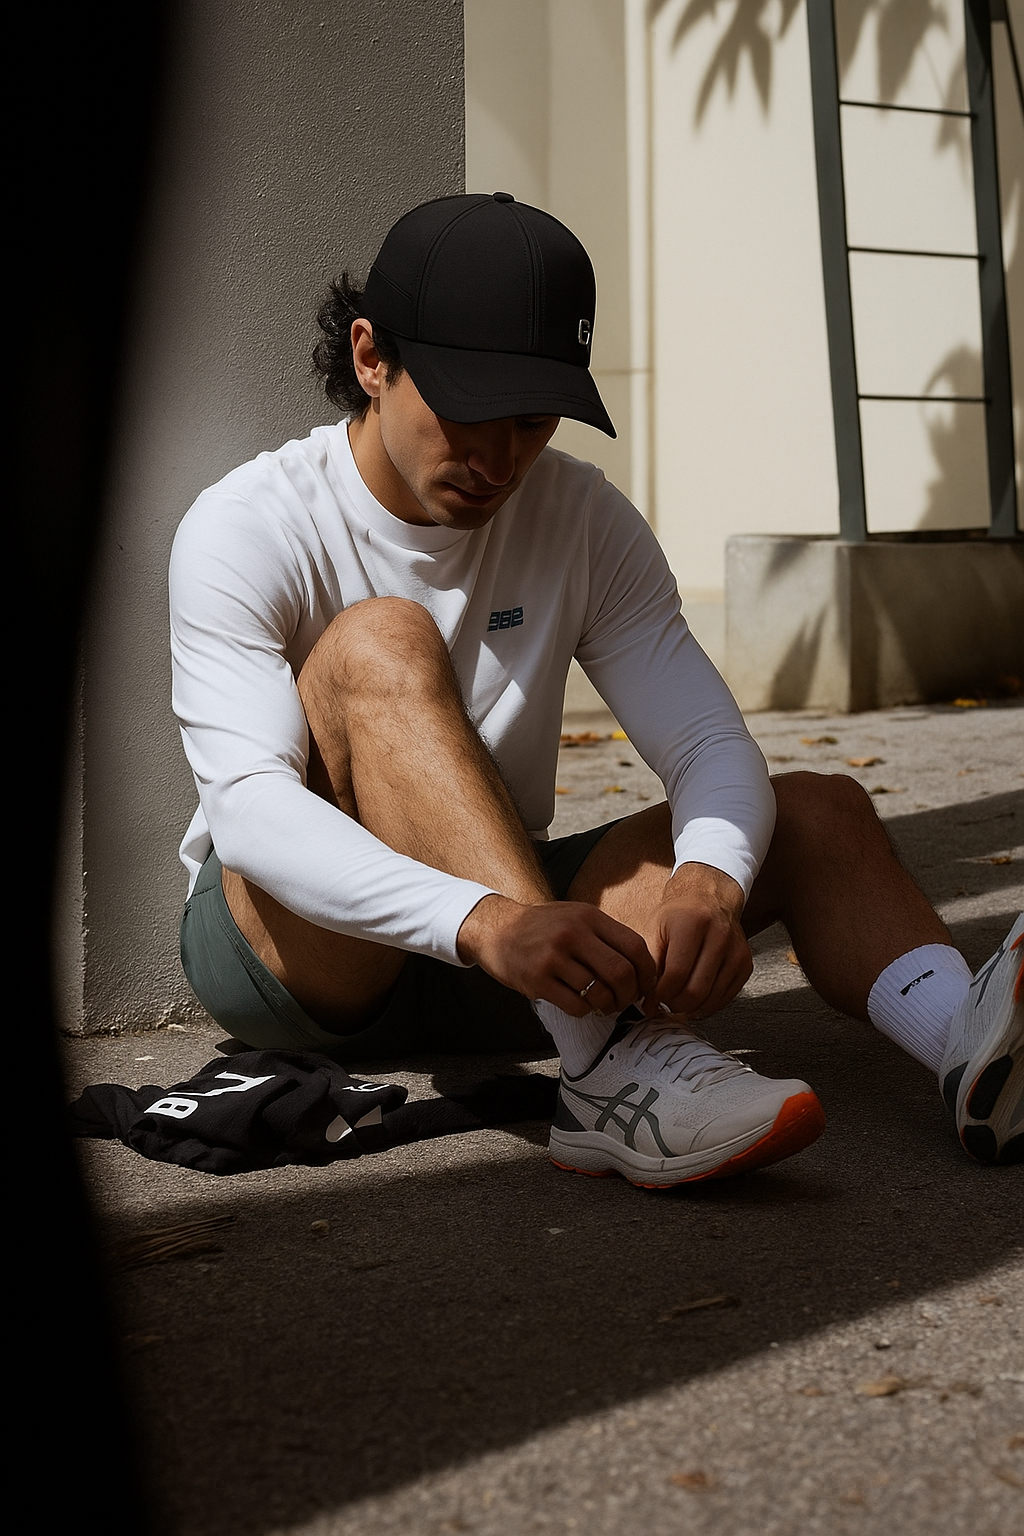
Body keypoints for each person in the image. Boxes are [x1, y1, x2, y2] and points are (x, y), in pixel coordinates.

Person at [170, 192, 1022, 1187]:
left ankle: (973, 1048)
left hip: (511, 950)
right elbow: (253, 815)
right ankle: (608, 1066)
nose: (496, 459)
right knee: (378, 643)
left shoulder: (579, 517)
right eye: (466, 412)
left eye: (529, 421)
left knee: (814, 814)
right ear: (372, 358)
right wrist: (493, 921)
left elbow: (706, 741)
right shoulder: (249, 523)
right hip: (297, 954)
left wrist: (712, 872)